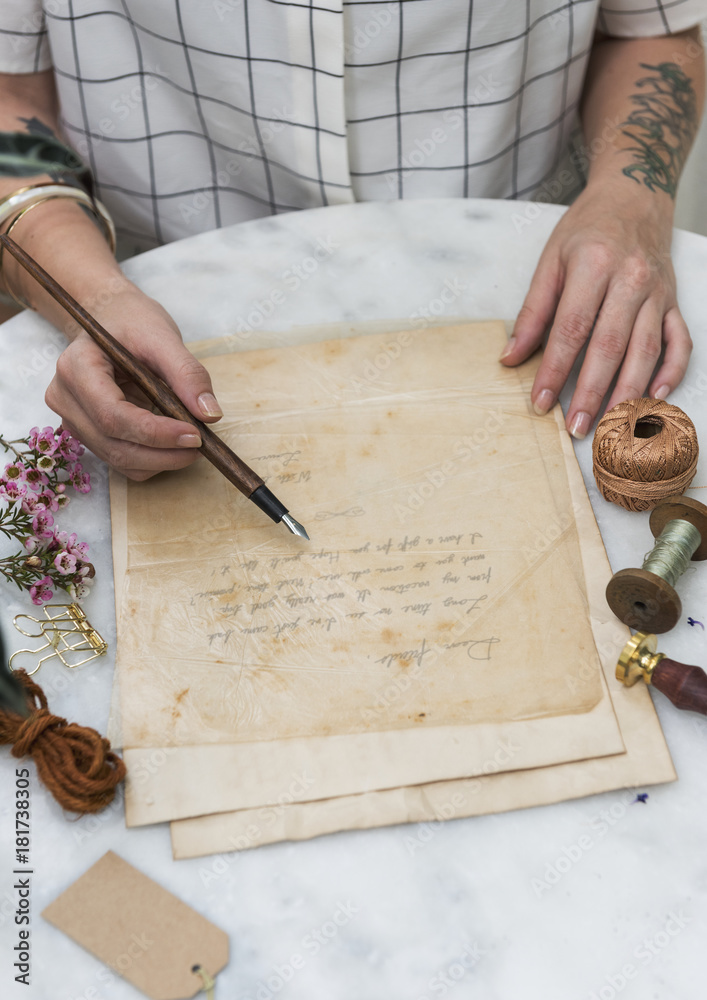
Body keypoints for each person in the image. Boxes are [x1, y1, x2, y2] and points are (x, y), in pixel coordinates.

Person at [0, 1, 705, 481]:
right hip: (162, 305)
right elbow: (10, 90)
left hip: (525, 289)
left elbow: (649, 24)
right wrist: (90, 293)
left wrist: (628, 197)